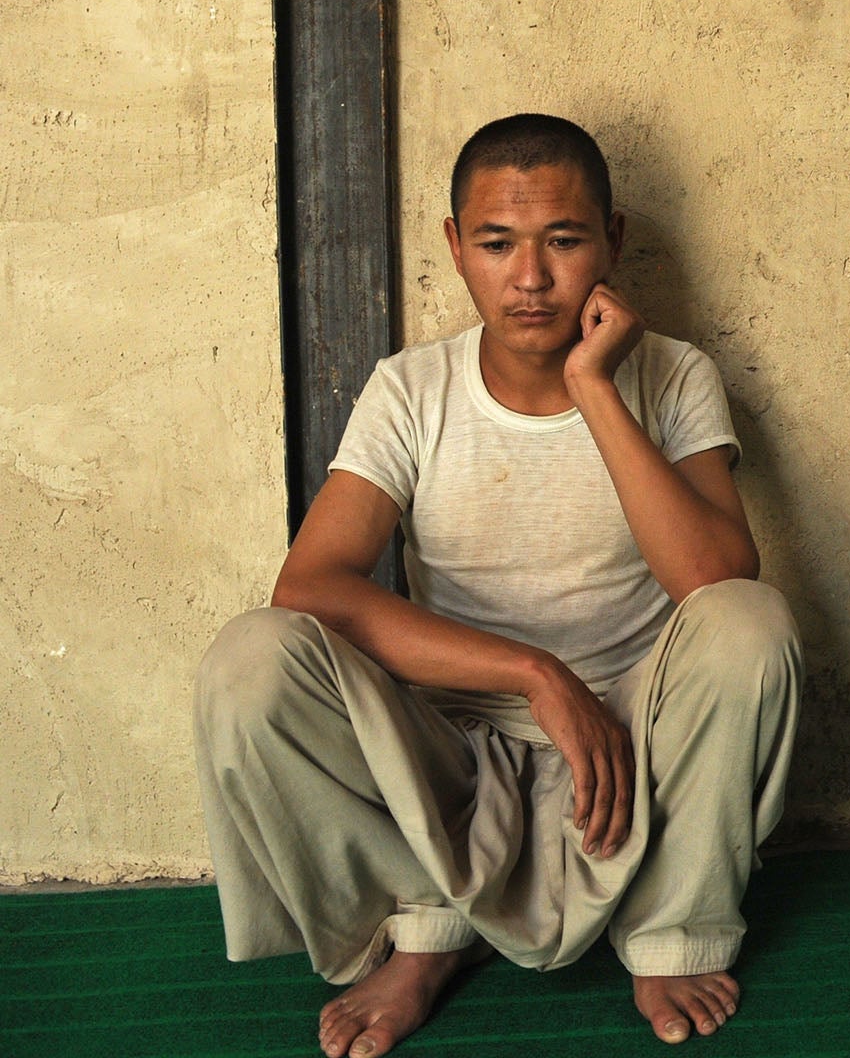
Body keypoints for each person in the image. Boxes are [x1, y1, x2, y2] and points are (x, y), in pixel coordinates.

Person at [194, 114, 801, 1054]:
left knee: (751, 622)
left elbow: (715, 578)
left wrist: (596, 385)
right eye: (496, 243)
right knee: (250, 660)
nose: (530, 278)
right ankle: (423, 924)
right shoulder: (411, 389)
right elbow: (311, 588)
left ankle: (673, 928)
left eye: (564, 241)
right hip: (452, 752)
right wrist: (533, 674)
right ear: (454, 247)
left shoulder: (674, 375)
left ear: (613, 242)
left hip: (636, 746)